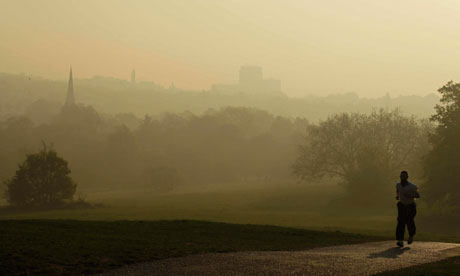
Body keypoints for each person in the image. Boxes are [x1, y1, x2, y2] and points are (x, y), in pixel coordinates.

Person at [395, 171, 420, 247]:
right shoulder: (398, 185)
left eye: (404, 176)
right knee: (400, 222)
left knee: (410, 221)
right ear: (400, 177)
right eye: (401, 176)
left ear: (407, 177)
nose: (403, 178)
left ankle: (411, 236)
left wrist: (410, 195)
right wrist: (397, 196)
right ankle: (400, 240)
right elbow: (397, 191)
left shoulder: (412, 186)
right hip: (402, 205)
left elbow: (418, 195)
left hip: (410, 205)